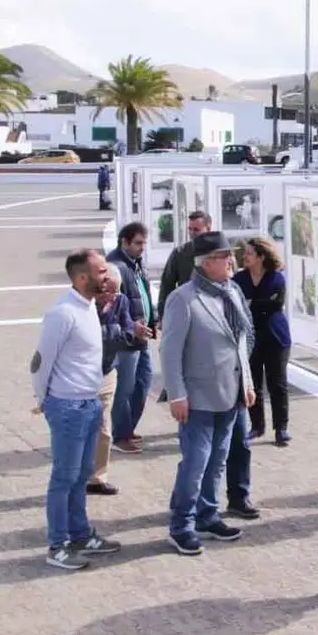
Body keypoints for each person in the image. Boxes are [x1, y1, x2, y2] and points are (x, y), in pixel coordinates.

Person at [161, 231, 257, 556]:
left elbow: (241, 339)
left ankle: (207, 514)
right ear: (206, 263)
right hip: (197, 396)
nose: (231, 260)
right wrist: (176, 395)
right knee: (195, 463)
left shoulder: (232, 291)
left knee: (217, 461)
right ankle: (181, 525)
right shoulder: (183, 299)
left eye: (229, 254)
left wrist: (248, 384)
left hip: (230, 393)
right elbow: (170, 352)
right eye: (224, 256)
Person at [30, 248, 121, 570]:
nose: (106, 276)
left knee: (82, 475)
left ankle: (80, 534)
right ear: (82, 277)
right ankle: (57, 546)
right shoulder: (63, 312)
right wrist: (42, 400)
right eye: (100, 272)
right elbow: (41, 362)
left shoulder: (88, 307)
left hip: (89, 403)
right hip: (67, 406)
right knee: (64, 477)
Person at [87, 263, 141, 496]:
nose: (112, 297)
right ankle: (75, 474)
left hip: (107, 370)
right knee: (81, 428)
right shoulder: (84, 304)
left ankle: (97, 478)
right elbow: (88, 336)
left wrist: (114, 331)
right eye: (107, 291)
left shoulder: (121, 302)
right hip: (82, 374)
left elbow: (128, 335)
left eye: (116, 291)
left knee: (104, 429)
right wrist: (116, 331)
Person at [233, 237, 292, 445]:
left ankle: (281, 428)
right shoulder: (239, 279)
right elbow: (237, 305)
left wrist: (251, 304)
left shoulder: (277, 278)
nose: (245, 256)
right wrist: (258, 304)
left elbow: (275, 304)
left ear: (261, 256)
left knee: (278, 383)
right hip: (250, 338)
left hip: (276, 338)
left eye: (249, 253)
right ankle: (257, 426)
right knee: (253, 382)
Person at [107, 222, 156, 453]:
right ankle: (120, 435)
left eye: (144, 243)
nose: (142, 248)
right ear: (124, 242)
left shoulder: (135, 264)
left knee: (143, 383)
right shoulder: (116, 267)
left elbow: (143, 296)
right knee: (125, 389)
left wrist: (153, 320)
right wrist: (130, 327)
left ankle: (127, 429)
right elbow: (110, 308)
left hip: (142, 337)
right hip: (127, 340)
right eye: (138, 243)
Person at [156, 211, 213, 403]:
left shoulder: (219, 253)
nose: (192, 233)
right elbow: (166, 285)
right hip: (187, 314)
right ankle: (176, 390)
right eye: (190, 229)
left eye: (197, 229)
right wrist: (163, 315)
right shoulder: (180, 253)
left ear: (208, 228)